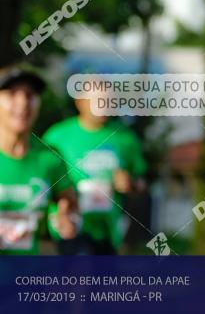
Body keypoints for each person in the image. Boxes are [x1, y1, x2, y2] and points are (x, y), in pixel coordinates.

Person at [43, 80, 147, 255]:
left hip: (108, 230)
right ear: (80, 102)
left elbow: (142, 183)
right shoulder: (57, 136)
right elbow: (41, 177)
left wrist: (131, 185)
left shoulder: (125, 138)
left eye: (108, 101)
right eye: (97, 101)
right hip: (71, 226)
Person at [0, 65, 79, 255]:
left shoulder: (50, 158)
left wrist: (65, 219)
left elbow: (70, 206)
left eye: (29, 95)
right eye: (12, 94)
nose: (22, 103)